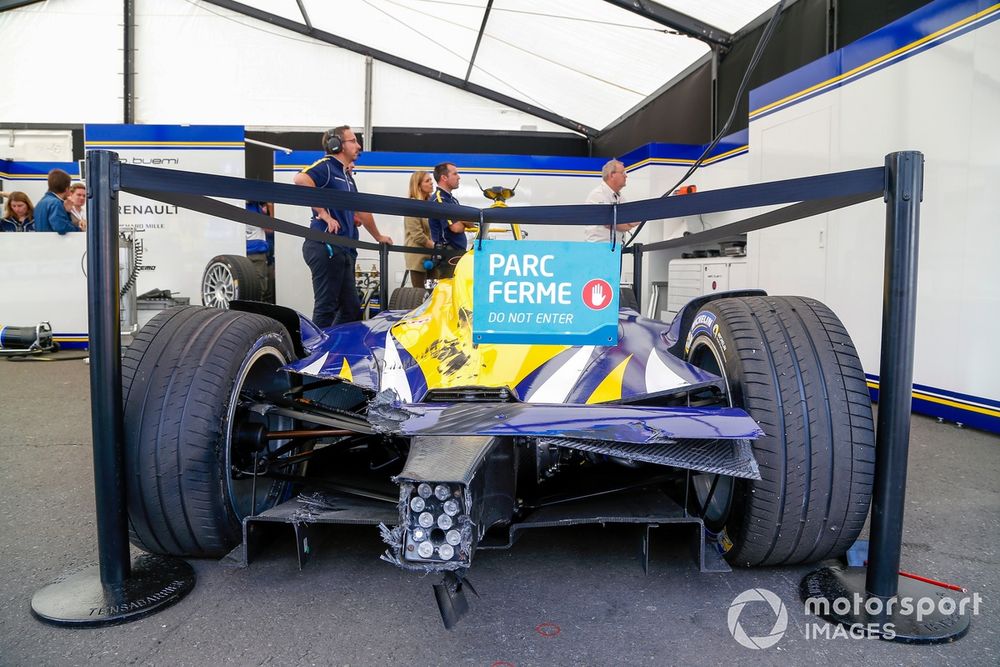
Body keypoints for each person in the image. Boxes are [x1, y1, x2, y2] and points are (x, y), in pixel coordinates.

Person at [293, 126, 391, 327]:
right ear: (336, 145)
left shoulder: (346, 175)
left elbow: (361, 210)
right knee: (326, 306)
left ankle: (334, 349)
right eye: (353, 141)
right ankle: (315, 354)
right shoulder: (327, 166)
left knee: (350, 309)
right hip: (324, 245)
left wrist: (378, 236)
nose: (358, 145)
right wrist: (323, 214)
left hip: (343, 249)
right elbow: (300, 179)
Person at [428, 162, 470, 278]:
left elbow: (470, 224)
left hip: (456, 252)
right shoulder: (439, 200)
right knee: (449, 288)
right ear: (444, 177)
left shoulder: (452, 200)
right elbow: (456, 228)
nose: (459, 177)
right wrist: (464, 221)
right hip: (448, 254)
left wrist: (463, 221)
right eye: (455, 174)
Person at [582, 159, 638, 245]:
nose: (626, 176)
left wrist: (627, 223)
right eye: (622, 172)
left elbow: (629, 219)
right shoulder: (598, 195)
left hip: (615, 249)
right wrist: (629, 225)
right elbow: (609, 222)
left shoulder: (620, 197)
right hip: (599, 248)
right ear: (612, 175)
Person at [403, 170, 436, 287]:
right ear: (418, 186)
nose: (432, 183)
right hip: (418, 259)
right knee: (421, 294)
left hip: (432, 257)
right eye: (427, 181)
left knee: (433, 293)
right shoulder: (412, 205)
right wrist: (436, 247)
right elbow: (418, 235)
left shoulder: (431, 204)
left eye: (431, 180)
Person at [33, 169, 79, 234]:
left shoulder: (41, 202)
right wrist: (79, 229)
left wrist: (66, 212)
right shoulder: (55, 203)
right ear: (66, 188)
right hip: (54, 243)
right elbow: (61, 227)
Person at [245, 200, 274, 303]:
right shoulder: (257, 207)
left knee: (255, 289)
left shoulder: (256, 206)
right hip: (256, 253)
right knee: (259, 289)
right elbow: (270, 229)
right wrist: (270, 206)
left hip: (252, 253)